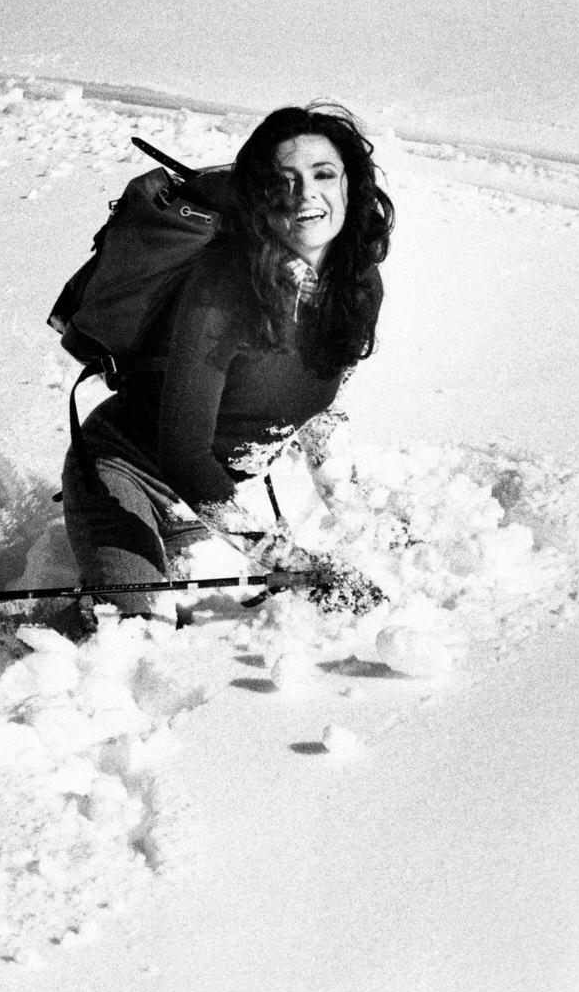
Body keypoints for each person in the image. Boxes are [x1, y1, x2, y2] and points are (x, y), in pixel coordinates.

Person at [60, 102, 394, 623]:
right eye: (282, 181)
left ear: (352, 185)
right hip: (128, 477)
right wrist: (291, 564)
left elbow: (320, 415)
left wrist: (359, 530)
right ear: (260, 200)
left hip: (206, 505)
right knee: (137, 630)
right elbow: (185, 457)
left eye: (323, 174)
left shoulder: (359, 287)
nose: (305, 194)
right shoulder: (221, 292)